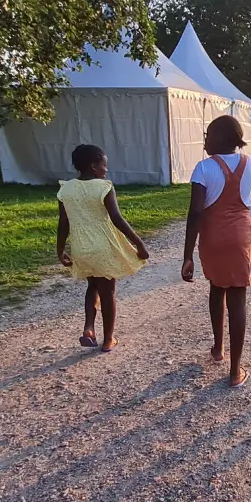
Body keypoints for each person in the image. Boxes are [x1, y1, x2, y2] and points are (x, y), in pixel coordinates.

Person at [181, 115, 251, 388]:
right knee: (237, 299)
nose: (204, 140)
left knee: (216, 287)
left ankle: (218, 348)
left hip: (212, 237)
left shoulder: (203, 168)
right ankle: (235, 370)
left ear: (218, 139)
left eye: (207, 135)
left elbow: (195, 213)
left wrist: (187, 255)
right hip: (240, 237)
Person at [56, 144, 149, 352]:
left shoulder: (66, 189)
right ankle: (108, 339)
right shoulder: (103, 187)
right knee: (108, 293)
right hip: (103, 247)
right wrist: (139, 243)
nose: (106, 169)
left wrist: (60, 249)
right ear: (93, 166)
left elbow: (63, 223)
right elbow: (117, 218)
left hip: (81, 248)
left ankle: (89, 328)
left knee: (92, 286)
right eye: (104, 165)